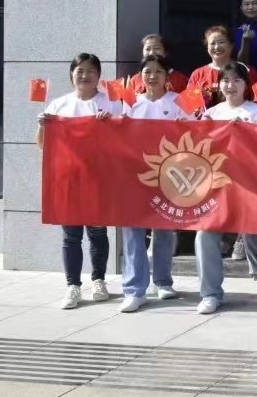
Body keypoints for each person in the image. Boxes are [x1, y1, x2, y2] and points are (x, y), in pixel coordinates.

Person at [37, 53, 122, 310]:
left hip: (99, 178)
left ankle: (99, 280)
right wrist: (43, 126)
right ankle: (72, 285)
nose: (85, 75)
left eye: (90, 71)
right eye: (80, 71)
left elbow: (124, 140)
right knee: (71, 235)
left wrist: (111, 124)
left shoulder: (111, 103)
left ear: (99, 75)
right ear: (71, 75)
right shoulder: (59, 105)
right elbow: (42, 145)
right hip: (69, 179)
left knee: (97, 232)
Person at [200, 62, 257, 311]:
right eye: (225, 80)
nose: (230, 85)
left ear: (246, 85)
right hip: (216, 182)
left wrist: (246, 132)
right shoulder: (211, 113)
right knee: (205, 233)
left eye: (236, 80)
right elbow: (200, 148)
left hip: (249, 179)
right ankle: (210, 292)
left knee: (252, 227)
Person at [118, 54, 193, 312]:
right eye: (147, 72)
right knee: (132, 229)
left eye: (158, 71)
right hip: (135, 173)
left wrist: (186, 126)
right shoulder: (130, 103)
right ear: (140, 76)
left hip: (169, 173)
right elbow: (117, 134)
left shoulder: (179, 101)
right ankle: (134, 288)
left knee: (163, 227)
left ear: (167, 75)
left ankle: (163, 281)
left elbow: (199, 129)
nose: (152, 76)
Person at [188, 25, 257, 107]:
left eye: (221, 42)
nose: (217, 47)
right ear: (207, 47)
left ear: (231, 45)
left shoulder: (246, 70)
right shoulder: (198, 74)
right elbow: (190, 106)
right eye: (212, 43)